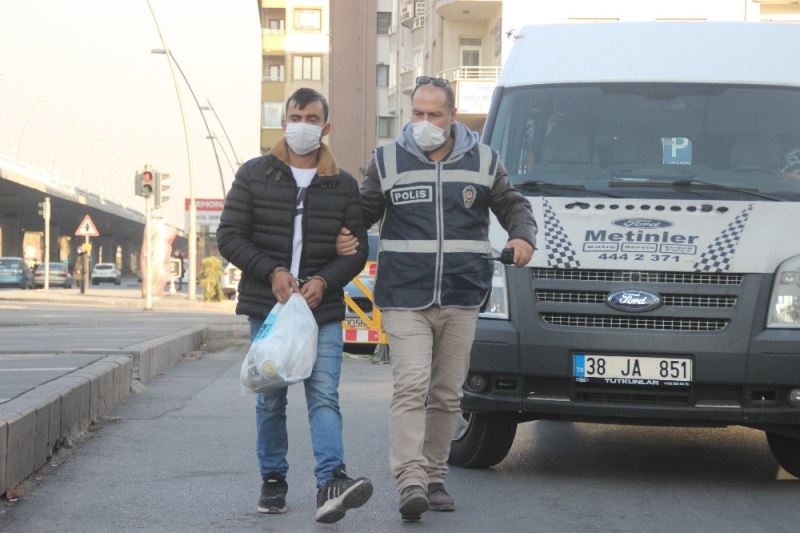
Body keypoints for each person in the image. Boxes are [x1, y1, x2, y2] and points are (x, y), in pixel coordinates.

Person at [336, 76, 537, 520]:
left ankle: (434, 476)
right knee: (411, 385)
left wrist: (523, 237)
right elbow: (361, 213)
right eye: (417, 114)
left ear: (452, 115)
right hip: (405, 296)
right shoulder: (387, 160)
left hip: (463, 293)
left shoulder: (484, 161)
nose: (424, 123)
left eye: (434, 114)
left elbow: (513, 205)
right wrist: (341, 235)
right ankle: (410, 479)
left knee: (446, 394)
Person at [216, 88, 373, 524]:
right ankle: (273, 479)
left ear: (326, 128)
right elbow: (229, 235)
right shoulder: (254, 174)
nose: (302, 124)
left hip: (321, 310)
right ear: (284, 122)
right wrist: (271, 272)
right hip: (270, 310)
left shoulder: (341, 184)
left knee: (324, 394)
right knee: (270, 399)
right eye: (295, 116)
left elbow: (355, 251)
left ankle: (331, 482)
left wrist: (325, 280)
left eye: (312, 118)